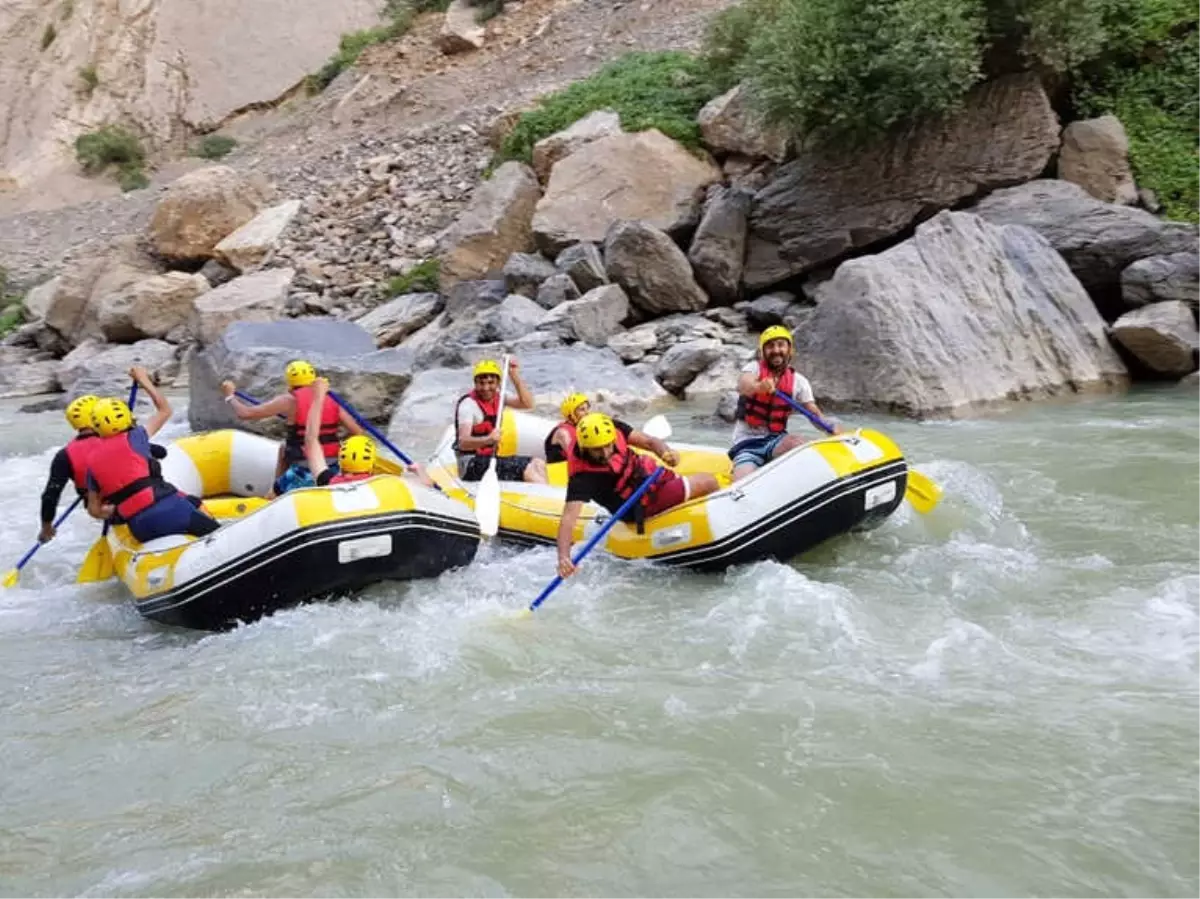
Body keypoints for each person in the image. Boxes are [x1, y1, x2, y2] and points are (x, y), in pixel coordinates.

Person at [555, 413, 719, 579]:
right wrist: (563, 558)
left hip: (650, 478)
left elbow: (650, 442)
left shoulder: (612, 427)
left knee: (692, 482)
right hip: (638, 504)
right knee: (708, 482)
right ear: (585, 448)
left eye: (607, 446)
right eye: (597, 449)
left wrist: (665, 453)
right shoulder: (582, 477)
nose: (605, 453)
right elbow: (568, 519)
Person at [85, 368, 221, 544]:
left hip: (140, 528)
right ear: (127, 417)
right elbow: (164, 410)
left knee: (189, 504)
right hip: (173, 511)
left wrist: (113, 510)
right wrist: (143, 379)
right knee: (218, 536)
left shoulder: (92, 462)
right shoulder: (137, 436)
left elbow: (94, 510)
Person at [221, 359, 364, 496]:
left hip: (305, 464)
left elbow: (245, 414)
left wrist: (230, 397)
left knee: (287, 449)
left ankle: (275, 493)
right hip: (334, 464)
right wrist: (338, 447)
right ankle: (277, 486)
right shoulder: (330, 399)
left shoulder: (288, 401)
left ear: (289, 382)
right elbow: (358, 433)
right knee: (283, 448)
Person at [729, 325, 843, 482]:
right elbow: (744, 384)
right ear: (763, 352)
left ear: (790, 350)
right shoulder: (753, 369)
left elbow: (814, 414)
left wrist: (830, 427)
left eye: (781, 345)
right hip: (747, 444)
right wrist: (759, 387)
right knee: (743, 481)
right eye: (770, 346)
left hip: (776, 441)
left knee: (797, 442)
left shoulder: (799, 382)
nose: (776, 350)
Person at [302, 378, 436, 488]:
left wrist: (318, 398)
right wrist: (419, 471)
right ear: (372, 464)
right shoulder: (386, 485)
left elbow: (311, 441)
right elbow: (427, 485)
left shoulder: (328, 481)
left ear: (341, 461)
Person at [454, 357, 547, 484]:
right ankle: (540, 501)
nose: (486, 388)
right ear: (475, 383)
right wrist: (488, 440)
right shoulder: (468, 405)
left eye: (491, 383)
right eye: (481, 383)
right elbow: (463, 443)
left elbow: (528, 404)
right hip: (470, 464)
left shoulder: (500, 396)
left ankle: (547, 497)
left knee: (538, 463)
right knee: (528, 469)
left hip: (489, 459)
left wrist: (514, 376)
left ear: (498, 383)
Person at [36, 394, 103, 544]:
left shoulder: (64, 455)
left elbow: (50, 495)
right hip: (129, 501)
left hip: (97, 509)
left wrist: (46, 527)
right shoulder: (118, 440)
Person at [544, 392, 591, 464]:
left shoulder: (580, 429)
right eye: (582, 409)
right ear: (571, 414)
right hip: (557, 470)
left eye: (587, 408)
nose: (587, 413)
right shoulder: (563, 433)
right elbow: (575, 456)